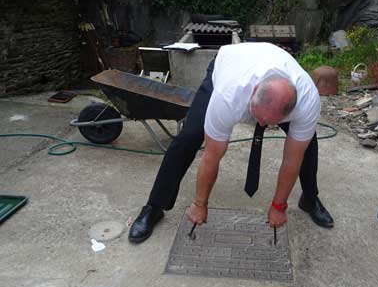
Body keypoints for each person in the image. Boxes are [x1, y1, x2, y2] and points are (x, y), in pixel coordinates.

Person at [128, 42, 334, 243]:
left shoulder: (307, 102)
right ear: (252, 94)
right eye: (258, 117)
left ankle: (309, 198)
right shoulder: (228, 95)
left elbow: (291, 160)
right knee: (188, 137)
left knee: (306, 145)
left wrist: (279, 206)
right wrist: (200, 203)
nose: (260, 124)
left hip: (272, 69)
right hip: (229, 64)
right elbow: (212, 156)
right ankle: (154, 206)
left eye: (268, 123)